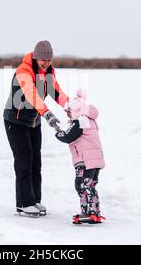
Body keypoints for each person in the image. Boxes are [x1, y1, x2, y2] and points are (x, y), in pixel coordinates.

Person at [3, 40, 69, 217]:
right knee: (24, 161)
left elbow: (57, 92)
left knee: (35, 162)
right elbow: (32, 95)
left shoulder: (48, 72)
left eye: (49, 60)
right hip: (15, 122)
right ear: (36, 57)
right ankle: (24, 204)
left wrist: (70, 107)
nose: (46, 63)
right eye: (43, 60)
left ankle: (35, 200)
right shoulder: (23, 71)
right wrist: (48, 114)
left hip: (33, 121)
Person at [55, 89, 105, 224]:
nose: (68, 114)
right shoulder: (90, 120)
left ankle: (89, 213)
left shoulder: (80, 121)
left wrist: (58, 133)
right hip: (95, 161)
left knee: (81, 185)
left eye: (69, 111)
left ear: (77, 109)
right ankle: (93, 212)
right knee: (90, 186)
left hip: (85, 161)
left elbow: (67, 136)